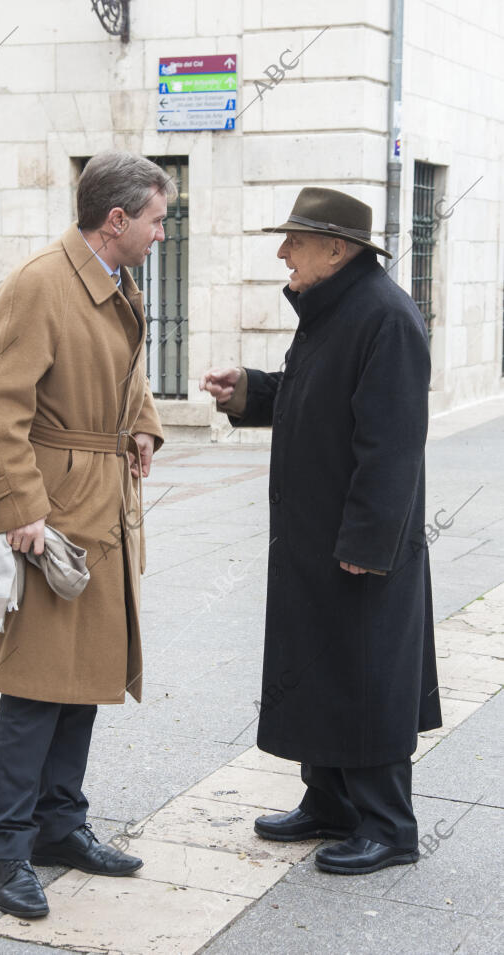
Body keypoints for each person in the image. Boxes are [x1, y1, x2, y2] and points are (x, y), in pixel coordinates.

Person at [200, 187, 442, 875]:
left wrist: (367, 545)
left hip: (360, 547)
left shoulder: (386, 318)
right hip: (317, 539)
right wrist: (247, 388)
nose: (283, 253)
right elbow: (309, 393)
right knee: (324, 667)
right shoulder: (335, 310)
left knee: (367, 674)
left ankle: (390, 824)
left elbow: (391, 445)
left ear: (337, 250)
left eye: (295, 242)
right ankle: (330, 802)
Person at [0, 152, 175, 917]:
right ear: (116, 220)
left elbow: (126, 372)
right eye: (156, 218)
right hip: (49, 514)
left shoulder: (118, 281)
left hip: (101, 504)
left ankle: (61, 823)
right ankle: (10, 846)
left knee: (82, 676)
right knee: (34, 686)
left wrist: (142, 424)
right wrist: (20, 509)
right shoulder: (38, 284)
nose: (161, 232)